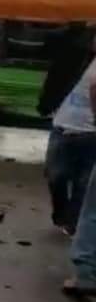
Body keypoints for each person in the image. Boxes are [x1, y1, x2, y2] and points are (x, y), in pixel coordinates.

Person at [45, 34, 96, 237]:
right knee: (56, 175)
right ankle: (61, 213)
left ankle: (72, 222)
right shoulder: (75, 61)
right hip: (63, 127)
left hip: (91, 133)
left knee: (83, 182)